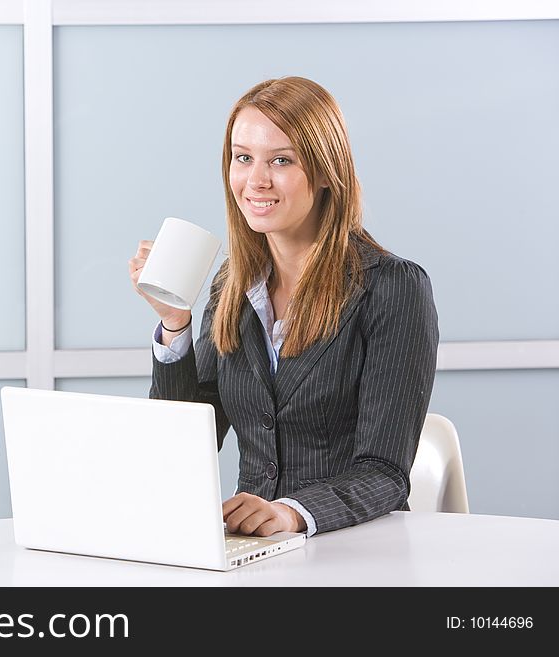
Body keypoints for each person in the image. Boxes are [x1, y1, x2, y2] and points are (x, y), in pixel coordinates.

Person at [128, 76, 439, 539]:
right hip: (252, 550)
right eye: (243, 158)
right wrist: (175, 326)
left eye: (281, 160)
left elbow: (385, 473)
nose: (256, 180)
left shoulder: (392, 288)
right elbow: (183, 449)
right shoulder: (231, 286)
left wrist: (292, 513)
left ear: (326, 170)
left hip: (355, 548)